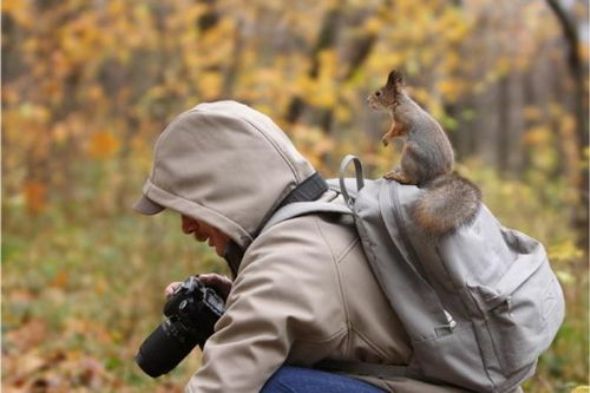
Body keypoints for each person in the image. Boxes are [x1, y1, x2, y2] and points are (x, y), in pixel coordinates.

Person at [133, 101, 472, 393]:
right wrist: (238, 297)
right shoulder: (327, 206)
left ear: (222, 190)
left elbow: (220, 387)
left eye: (189, 207)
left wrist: (250, 303)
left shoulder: (284, 264)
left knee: (270, 387)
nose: (186, 226)